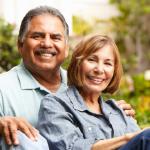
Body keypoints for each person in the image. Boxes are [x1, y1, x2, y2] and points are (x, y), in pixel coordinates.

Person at [0, 6, 135, 149]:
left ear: (66, 49)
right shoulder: (3, 86)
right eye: (37, 36)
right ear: (20, 45)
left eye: (55, 37)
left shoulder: (83, 82)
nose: (46, 43)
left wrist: (116, 115)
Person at [38, 35, 150, 150]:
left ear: (114, 71)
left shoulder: (118, 110)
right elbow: (72, 147)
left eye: (107, 63)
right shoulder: (55, 105)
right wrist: (127, 138)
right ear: (78, 64)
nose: (99, 70)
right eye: (92, 60)